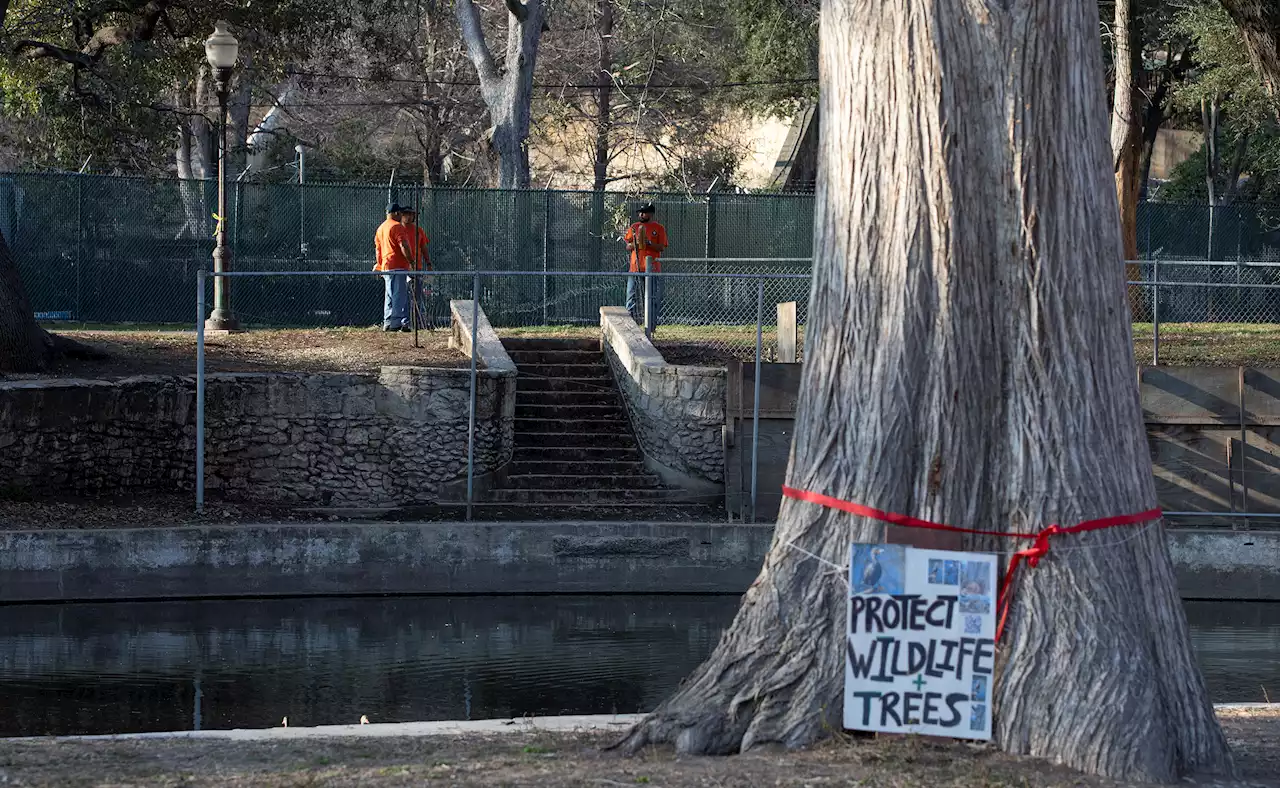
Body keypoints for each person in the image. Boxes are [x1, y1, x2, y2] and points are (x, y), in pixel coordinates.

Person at [624, 203, 668, 334]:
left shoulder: (658, 228)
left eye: (644, 212)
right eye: (640, 212)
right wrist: (636, 244)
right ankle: (629, 326)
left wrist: (648, 243)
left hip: (651, 269)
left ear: (650, 214)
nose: (641, 215)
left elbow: (661, 247)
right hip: (635, 268)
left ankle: (651, 325)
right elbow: (628, 246)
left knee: (651, 297)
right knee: (631, 297)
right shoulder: (634, 227)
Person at [373, 204, 414, 331]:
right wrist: (411, 261)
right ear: (396, 213)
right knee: (398, 295)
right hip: (398, 266)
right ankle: (395, 323)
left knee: (390, 295)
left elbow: (378, 250)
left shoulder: (381, 228)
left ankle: (388, 321)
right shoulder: (396, 226)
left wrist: (379, 265)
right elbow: (404, 245)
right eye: (401, 213)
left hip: (386, 265)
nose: (402, 215)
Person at [398, 206, 433, 329]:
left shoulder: (418, 230)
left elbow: (424, 248)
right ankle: (404, 322)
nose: (409, 217)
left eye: (411, 214)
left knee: (418, 296)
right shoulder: (397, 229)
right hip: (402, 268)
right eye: (406, 214)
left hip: (416, 268)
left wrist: (428, 263)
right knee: (403, 296)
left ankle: (420, 322)